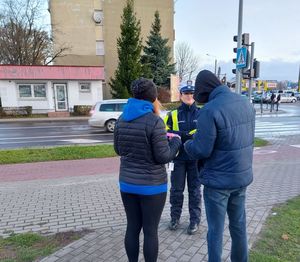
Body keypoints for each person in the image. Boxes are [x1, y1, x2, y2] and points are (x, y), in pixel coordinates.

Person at [184, 70, 255, 262]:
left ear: (206, 90)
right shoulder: (245, 102)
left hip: (218, 182)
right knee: (239, 225)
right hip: (241, 177)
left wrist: (188, 144)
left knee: (215, 230)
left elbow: (201, 150)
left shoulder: (210, 110)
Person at [114, 78, 181, 262]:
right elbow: (163, 156)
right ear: (153, 97)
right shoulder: (154, 122)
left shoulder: (121, 119)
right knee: (150, 231)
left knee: (132, 227)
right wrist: (175, 142)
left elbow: (118, 150)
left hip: (127, 184)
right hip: (152, 187)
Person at [164, 84, 202, 235]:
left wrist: (179, 134)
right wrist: (186, 135)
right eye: (186, 93)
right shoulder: (172, 114)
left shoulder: (202, 113)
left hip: (195, 159)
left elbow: (202, 133)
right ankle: (175, 218)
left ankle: (194, 220)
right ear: (180, 95)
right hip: (177, 158)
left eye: (192, 93)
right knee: (176, 190)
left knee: (195, 191)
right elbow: (165, 132)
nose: (189, 96)